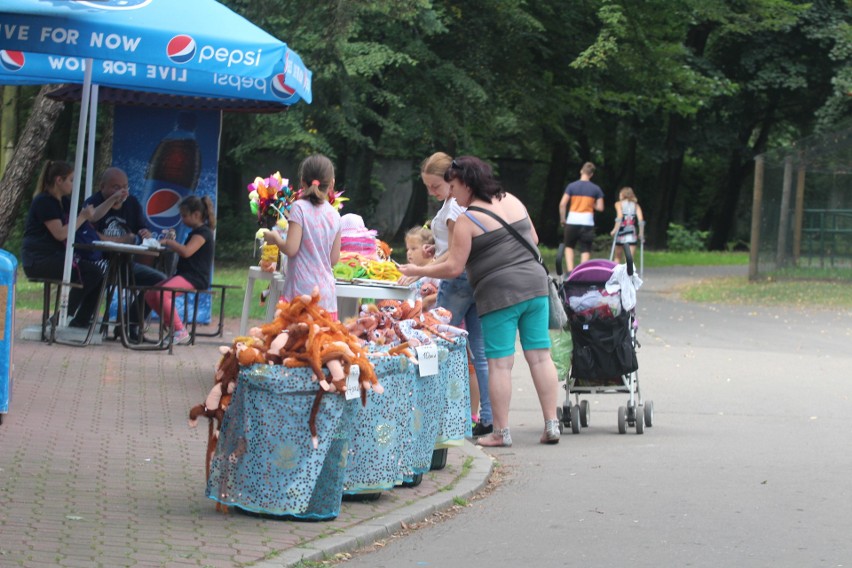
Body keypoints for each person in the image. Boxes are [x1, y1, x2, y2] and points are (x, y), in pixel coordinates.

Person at [399, 156, 561, 446]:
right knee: (540, 356)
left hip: (500, 293)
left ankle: (500, 432)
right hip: (536, 287)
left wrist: (418, 270)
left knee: (499, 364)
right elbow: (533, 237)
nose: (452, 192)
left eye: (453, 185)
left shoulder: (467, 218)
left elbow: (453, 268)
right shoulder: (513, 200)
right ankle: (552, 423)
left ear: (466, 183)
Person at [402, 152, 493, 437]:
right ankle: (485, 417)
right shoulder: (453, 204)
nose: (431, 192)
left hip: (457, 283)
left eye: (435, 186)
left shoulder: (454, 207)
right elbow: (452, 247)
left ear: (451, 181)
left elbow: (456, 257)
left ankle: (437, 417)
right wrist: (434, 250)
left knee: (435, 343)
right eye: (427, 186)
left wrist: (419, 269)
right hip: (475, 279)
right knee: (479, 351)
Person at [21, 160, 125, 329]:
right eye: (71, 180)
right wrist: (82, 217)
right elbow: (60, 233)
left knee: (99, 273)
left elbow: (93, 215)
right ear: (58, 181)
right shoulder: (45, 202)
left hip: (55, 257)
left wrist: (112, 199)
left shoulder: (65, 201)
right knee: (91, 272)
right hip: (38, 259)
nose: (73, 184)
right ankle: (64, 315)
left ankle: (81, 320)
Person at [84, 167, 167, 339]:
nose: (122, 192)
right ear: (103, 187)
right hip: (99, 261)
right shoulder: (93, 204)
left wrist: (146, 234)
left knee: (159, 280)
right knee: (98, 274)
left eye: (125, 187)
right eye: (115, 187)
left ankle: (130, 323)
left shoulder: (132, 203)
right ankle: (81, 320)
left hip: (125, 263)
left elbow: (142, 230)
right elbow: (91, 236)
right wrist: (123, 240)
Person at [262, 154, 342, 319]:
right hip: (326, 296)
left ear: (302, 182)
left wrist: (276, 238)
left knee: (294, 342)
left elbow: (291, 249)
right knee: (321, 342)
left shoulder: (298, 208)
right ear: (332, 183)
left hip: (300, 293)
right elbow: (333, 259)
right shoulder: (335, 215)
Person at [144, 195, 216, 345]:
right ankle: (172, 326)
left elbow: (187, 251)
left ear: (196, 214)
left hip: (195, 277)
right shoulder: (195, 232)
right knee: (151, 294)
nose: (182, 219)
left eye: (184, 215)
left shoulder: (203, 233)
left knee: (161, 293)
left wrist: (169, 242)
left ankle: (179, 330)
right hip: (185, 274)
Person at [559, 161, 604, 274]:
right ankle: (583, 272)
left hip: (572, 220)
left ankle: (570, 271)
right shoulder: (596, 189)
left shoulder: (571, 186)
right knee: (585, 248)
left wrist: (563, 219)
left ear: (581, 171)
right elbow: (600, 207)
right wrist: (591, 204)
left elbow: (562, 204)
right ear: (591, 174)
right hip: (587, 222)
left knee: (569, 246)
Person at [403, 226, 439, 310]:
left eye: (413, 248)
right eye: (407, 249)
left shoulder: (434, 272)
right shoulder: (411, 271)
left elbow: (444, 293)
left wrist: (427, 300)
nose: (409, 253)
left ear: (428, 248)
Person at [610, 186, 645, 263]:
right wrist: (641, 234)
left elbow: (619, 217)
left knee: (617, 257)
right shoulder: (636, 205)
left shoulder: (618, 204)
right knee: (629, 259)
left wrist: (614, 230)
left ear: (623, 194)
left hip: (621, 232)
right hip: (631, 233)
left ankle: (616, 274)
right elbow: (641, 220)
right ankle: (628, 274)